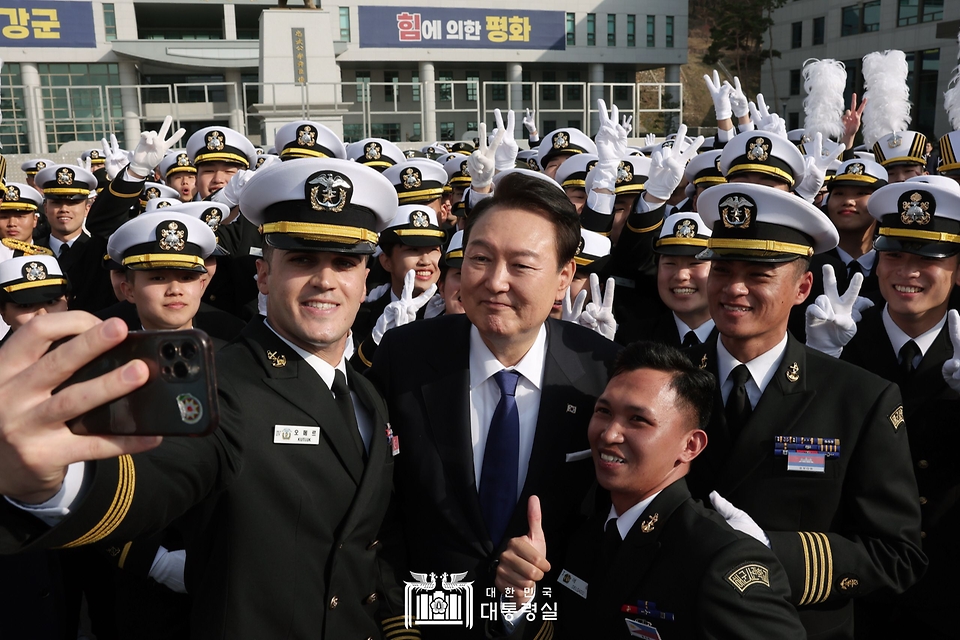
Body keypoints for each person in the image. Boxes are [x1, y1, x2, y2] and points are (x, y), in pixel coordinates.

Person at [0, 158, 419, 639]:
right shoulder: (215, 384)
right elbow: (157, 474)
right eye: (302, 260)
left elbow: (376, 537)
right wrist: (50, 486)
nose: (326, 280)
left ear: (366, 279)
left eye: (345, 262)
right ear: (262, 275)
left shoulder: (366, 393)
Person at [368, 172, 621, 639]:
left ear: (565, 276)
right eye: (479, 259)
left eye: (521, 265)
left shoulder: (600, 371)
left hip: (553, 619)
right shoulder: (405, 356)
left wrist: (524, 610)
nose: (494, 282)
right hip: (427, 614)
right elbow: (380, 504)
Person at [684, 182, 926, 639]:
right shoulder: (666, 379)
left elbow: (897, 555)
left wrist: (770, 553)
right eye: (722, 269)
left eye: (759, 274)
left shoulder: (857, 397)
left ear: (802, 287)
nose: (734, 288)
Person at [495, 341, 806, 639]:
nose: (610, 433)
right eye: (604, 411)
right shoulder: (584, 538)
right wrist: (520, 602)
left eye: (637, 419)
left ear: (690, 445)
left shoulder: (719, 558)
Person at [815, 180, 960, 639]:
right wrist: (818, 369)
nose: (907, 272)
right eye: (894, 255)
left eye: (927, 259)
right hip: (857, 581)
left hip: (950, 582)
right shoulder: (840, 340)